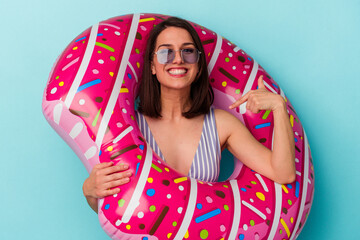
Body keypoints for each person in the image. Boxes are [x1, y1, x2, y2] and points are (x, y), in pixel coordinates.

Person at [82, 17, 296, 213]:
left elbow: (283, 174)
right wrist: (90, 191)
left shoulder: (221, 124)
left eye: (188, 51)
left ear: (199, 66)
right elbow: (117, 205)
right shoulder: (130, 127)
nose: (178, 60)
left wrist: (279, 106)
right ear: (153, 66)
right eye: (166, 52)